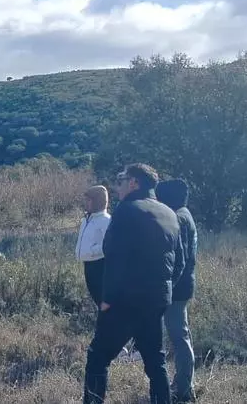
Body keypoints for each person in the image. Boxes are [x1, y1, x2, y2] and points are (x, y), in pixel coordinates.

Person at [82, 163, 184, 404]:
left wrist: (107, 299)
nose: (117, 187)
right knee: (155, 361)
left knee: (98, 357)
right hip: (157, 301)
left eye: (121, 180)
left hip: (125, 302)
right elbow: (179, 261)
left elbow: (114, 256)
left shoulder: (127, 210)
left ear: (134, 183)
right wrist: (163, 291)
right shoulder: (169, 213)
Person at [157, 177, 198, 403]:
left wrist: (168, 286)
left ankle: (183, 389)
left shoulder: (178, 218)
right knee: (181, 334)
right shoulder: (184, 214)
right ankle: (183, 383)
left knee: (179, 337)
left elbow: (179, 261)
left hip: (177, 288)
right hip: (182, 286)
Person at [75, 184, 112, 308]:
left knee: (103, 302)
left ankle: (106, 320)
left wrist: (92, 251)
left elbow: (110, 245)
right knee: (97, 301)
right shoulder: (86, 219)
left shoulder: (106, 220)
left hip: (99, 266)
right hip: (88, 265)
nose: (86, 202)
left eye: (89, 200)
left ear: (97, 201)